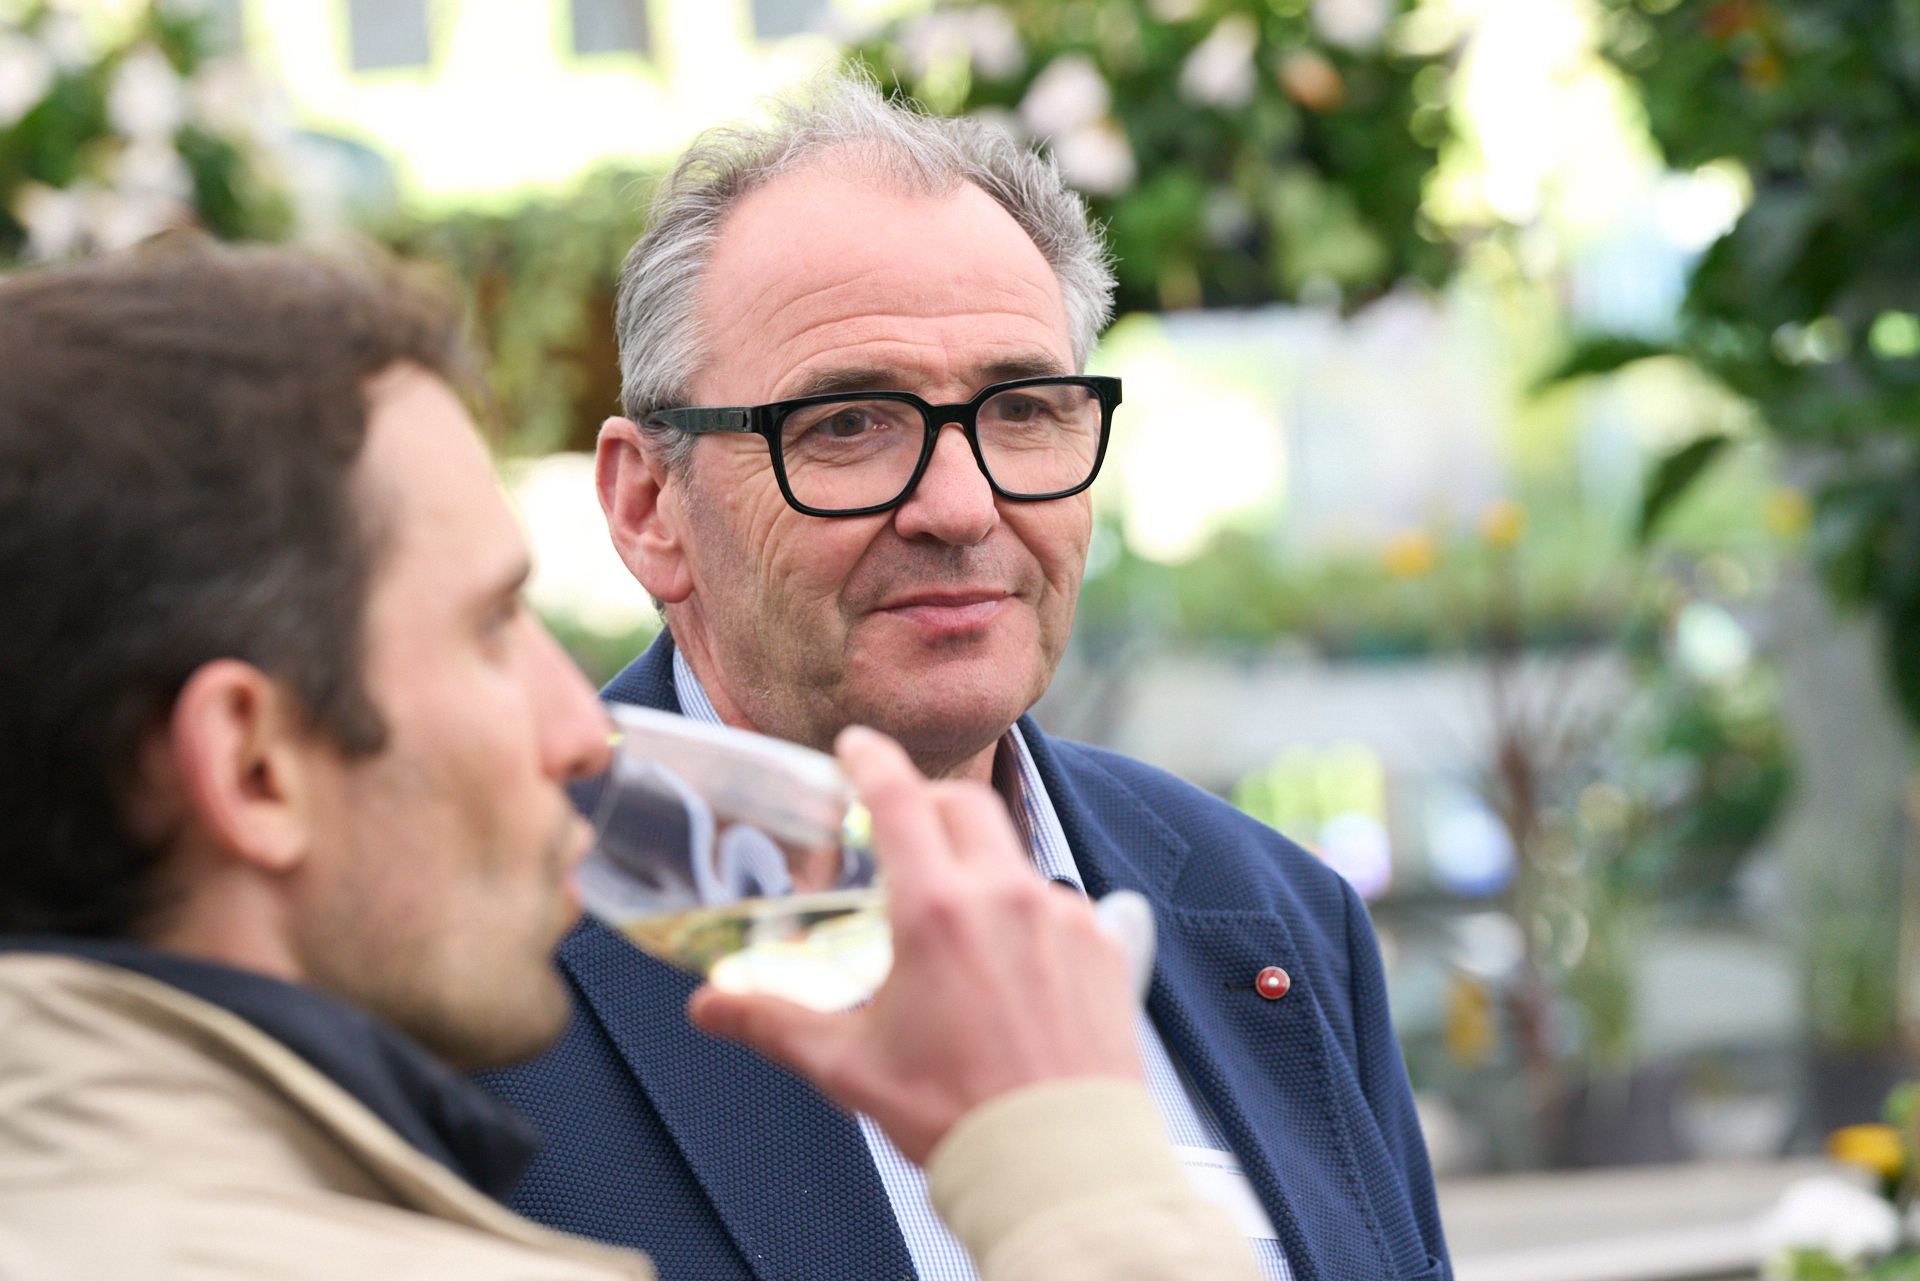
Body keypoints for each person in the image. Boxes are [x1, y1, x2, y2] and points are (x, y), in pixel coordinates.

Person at [0, 240, 1261, 1280]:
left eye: (1028, 408)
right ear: (252, 764)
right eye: (494, 627)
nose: (575, 729)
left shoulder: (1269, 902)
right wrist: (1072, 1171)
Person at [485, 71, 1451, 1281]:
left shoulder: (1278, 916)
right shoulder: (462, 944)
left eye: (1027, 409)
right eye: (846, 425)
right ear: (648, 506)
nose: (961, 504)